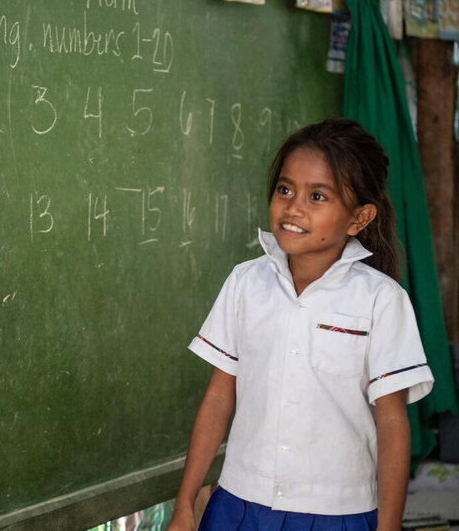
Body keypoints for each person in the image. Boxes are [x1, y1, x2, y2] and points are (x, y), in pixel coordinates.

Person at [167, 118, 434, 531]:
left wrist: (389, 526)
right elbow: (220, 396)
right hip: (239, 505)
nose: (293, 208)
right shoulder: (245, 281)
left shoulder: (380, 300)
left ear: (359, 218)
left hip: (336, 513)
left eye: (318, 196)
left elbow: (393, 422)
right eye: (285, 189)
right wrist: (186, 504)